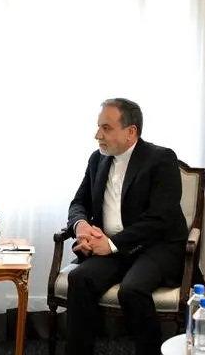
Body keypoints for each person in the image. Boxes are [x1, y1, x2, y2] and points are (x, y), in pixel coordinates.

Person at [65, 98, 187, 355]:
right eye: (99, 127)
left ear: (131, 132)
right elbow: (79, 202)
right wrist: (81, 226)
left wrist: (111, 244)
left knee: (132, 290)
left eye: (106, 128)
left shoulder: (161, 159)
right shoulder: (97, 160)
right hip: (112, 246)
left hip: (155, 247)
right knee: (79, 278)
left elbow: (161, 218)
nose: (97, 135)